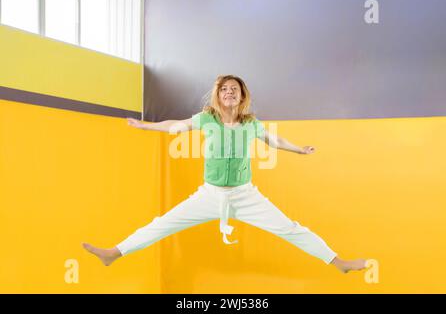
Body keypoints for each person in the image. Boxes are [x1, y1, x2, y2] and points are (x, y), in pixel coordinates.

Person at [83, 74, 368, 274]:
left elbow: (274, 141)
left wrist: (299, 150)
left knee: (291, 229)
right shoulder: (206, 119)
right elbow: (175, 126)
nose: (229, 92)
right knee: (163, 224)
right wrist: (146, 126)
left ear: (243, 96)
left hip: (245, 195)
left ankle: (338, 262)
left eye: (234, 89)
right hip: (210, 194)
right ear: (218, 96)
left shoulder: (251, 123)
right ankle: (113, 253)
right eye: (224, 89)